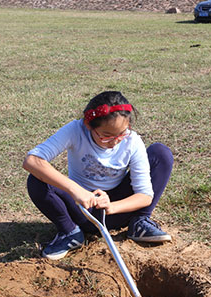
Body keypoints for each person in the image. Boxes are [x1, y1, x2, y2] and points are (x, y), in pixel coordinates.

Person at [23, 91, 174, 260]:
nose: (115, 141)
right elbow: (32, 160)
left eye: (122, 133)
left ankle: (139, 223)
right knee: (37, 178)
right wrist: (77, 191)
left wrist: (112, 206)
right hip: (81, 210)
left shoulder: (132, 141)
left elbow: (145, 196)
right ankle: (70, 232)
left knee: (161, 154)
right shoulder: (76, 130)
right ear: (89, 124)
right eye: (106, 136)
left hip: (117, 211)